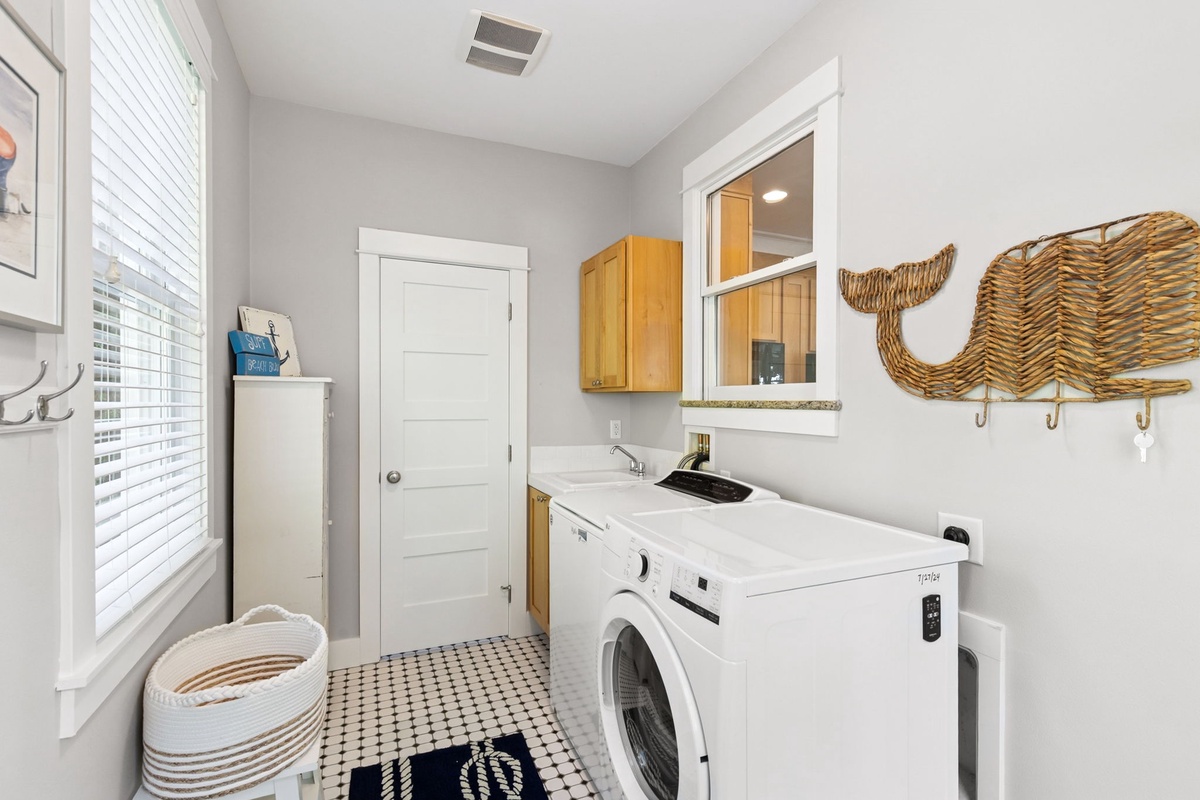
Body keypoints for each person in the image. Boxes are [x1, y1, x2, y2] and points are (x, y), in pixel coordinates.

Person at [0, 124, 14, 217]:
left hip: (4, 156)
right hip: (10, 154)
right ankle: (3, 210)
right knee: (1, 179)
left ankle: (3, 210)